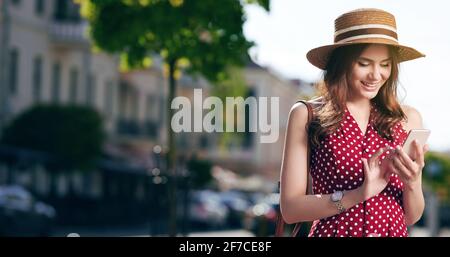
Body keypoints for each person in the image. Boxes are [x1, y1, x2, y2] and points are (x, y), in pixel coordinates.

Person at [280, 8, 429, 237]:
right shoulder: (307, 114)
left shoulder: (408, 119)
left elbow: (411, 216)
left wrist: (413, 181)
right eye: (364, 63)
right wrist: (357, 195)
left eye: (385, 64)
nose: (376, 75)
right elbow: (290, 209)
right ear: (342, 63)